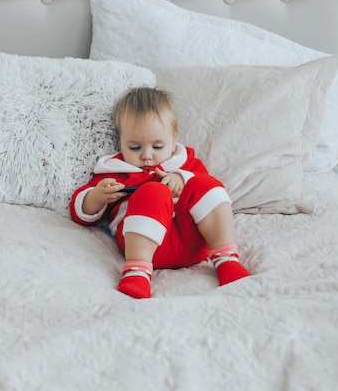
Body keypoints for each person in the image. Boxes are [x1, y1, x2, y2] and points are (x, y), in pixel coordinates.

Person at [70, 87, 250, 299]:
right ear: (120, 143)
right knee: (153, 191)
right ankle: (137, 271)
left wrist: (182, 179)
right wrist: (97, 197)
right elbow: (79, 212)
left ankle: (226, 259)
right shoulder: (116, 172)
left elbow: (213, 195)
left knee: (206, 184)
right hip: (145, 247)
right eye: (135, 148)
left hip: (192, 241)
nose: (147, 156)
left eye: (157, 146)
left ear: (174, 140)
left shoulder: (186, 164)